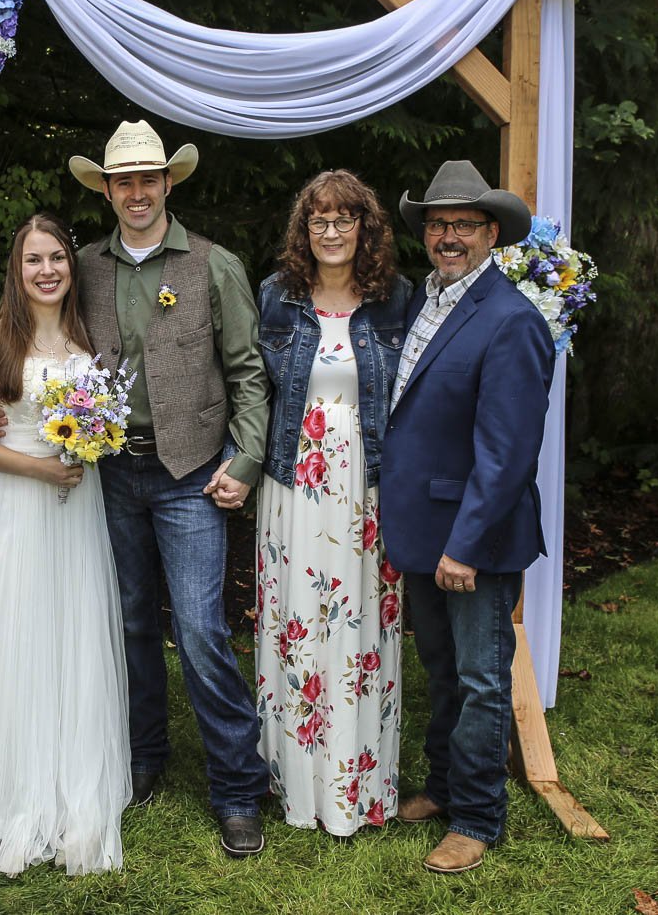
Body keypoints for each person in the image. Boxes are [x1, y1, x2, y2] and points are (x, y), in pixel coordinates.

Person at [68, 119, 273, 857]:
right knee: (126, 626)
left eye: (148, 178)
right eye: (123, 180)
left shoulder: (216, 265)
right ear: (108, 191)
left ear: (168, 184)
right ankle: (143, 756)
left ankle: (238, 787)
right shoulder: (85, 265)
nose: (137, 191)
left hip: (191, 474)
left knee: (200, 630)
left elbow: (249, 372)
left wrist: (244, 462)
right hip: (112, 471)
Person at [0, 214, 132, 876]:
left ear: (71, 267)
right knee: (14, 636)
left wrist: (92, 444)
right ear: (16, 272)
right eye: (33, 260)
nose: (46, 270)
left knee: (71, 634)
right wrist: (41, 467)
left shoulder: (84, 337)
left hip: (77, 512)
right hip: (16, 504)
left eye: (57, 259)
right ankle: (9, 779)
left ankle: (71, 771)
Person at [380, 160, 555, 873]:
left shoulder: (511, 317)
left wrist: (467, 545)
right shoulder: (427, 301)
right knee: (443, 668)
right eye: (438, 223)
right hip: (423, 528)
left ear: (491, 232)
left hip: (472, 536)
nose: (448, 236)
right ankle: (445, 785)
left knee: (483, 676)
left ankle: (479, 817)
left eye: (463, 224)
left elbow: (509, 453)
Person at [254, 170, 412, 834]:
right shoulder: (277, 297)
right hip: (294, 481)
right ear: (303, 230)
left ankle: (359, 782)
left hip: (366, 486)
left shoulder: (396, 298)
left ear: (365, 227)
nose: (331, 232)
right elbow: (250, 386)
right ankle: (292, 781)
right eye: (318, 220)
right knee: (296, 620)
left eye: (345, 219)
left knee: (361, 624)